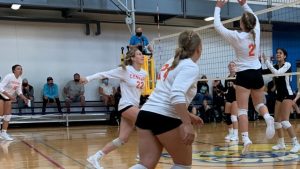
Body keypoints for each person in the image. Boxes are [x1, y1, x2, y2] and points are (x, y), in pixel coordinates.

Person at [129, 30, 203, 169]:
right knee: (183, 165)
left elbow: (166, 94)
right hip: (165, 117)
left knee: (145, 165)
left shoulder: (171, 62)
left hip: (146, 114)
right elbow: (175, 95)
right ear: (199, 49)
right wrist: (187, 124)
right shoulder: (191, 66)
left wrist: (188, 115)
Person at [214, 0, 275, 154]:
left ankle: (246, 138)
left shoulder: (236, 36)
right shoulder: (257, 30)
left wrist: (218, 7)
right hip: (257, 72)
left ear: (242, 24)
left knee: (242, 110)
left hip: (243, 75)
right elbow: (253, 16)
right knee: (258, 104)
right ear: (253, 24)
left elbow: (217, 26)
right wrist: (244, 4)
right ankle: (267, 117)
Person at [82, 48, 147, 169]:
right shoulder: (125, 70)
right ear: (132, 58)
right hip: (126, 105)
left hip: (134, 106)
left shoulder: (144, 73)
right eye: (139, 54)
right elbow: (104, 74)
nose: (142, 56)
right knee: (147, 123)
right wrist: (88, 78)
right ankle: (143, 157)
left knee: (122, 139)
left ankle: (95, 157)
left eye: (142, 54)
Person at [262, 48, 300, 153]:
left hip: (288, 95)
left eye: (280, 53)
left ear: (285, 56)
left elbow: (278, 73)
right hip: (279, 96)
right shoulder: (274, 66)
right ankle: (281, 143)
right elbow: (262, 71)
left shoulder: (287, 65)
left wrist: (267, 62)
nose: (278, 54)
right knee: (276, 122)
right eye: (277, 53)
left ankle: (296, 143)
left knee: (284, 121)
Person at [0, 64, 29, 140]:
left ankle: (3, 133)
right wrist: (10, 97)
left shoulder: (20, 79)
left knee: (8, 115)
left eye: (21, 69)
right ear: (14, 70)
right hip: (1, 95)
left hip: (8, 97)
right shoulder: (9, 76)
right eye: (18, 69)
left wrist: (24, 98)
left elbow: (19, 91)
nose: (21, 70)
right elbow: (0, 87)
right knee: (0, 115)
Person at [223, 61, 239, 141]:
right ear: (228, 67)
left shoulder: (238, 76)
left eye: (233, 65)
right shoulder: (227, 77)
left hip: (236, 98)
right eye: (230, 65)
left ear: (236, 67)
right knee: (227, 116)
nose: (231, 66)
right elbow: (226, 90)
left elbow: (240, 89)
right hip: (229, 98)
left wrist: (234, 85)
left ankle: (236, 135)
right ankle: (230, 133)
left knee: (233, 116)